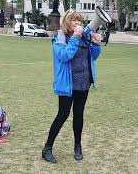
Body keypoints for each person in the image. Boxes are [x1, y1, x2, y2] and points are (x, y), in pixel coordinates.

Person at [42, 9, 102, 163]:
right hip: (68, 84)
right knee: (62, 115)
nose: (78, 23)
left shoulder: (85, 37)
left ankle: (77, 146)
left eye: (79, 20)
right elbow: (64, 56)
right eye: (74, 20)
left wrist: (96, 44)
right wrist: (75, 37)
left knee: (79, 115)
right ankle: (47, 148)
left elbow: (93, 57)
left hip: (83, 82)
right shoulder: (60, 37)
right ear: (66, 22)